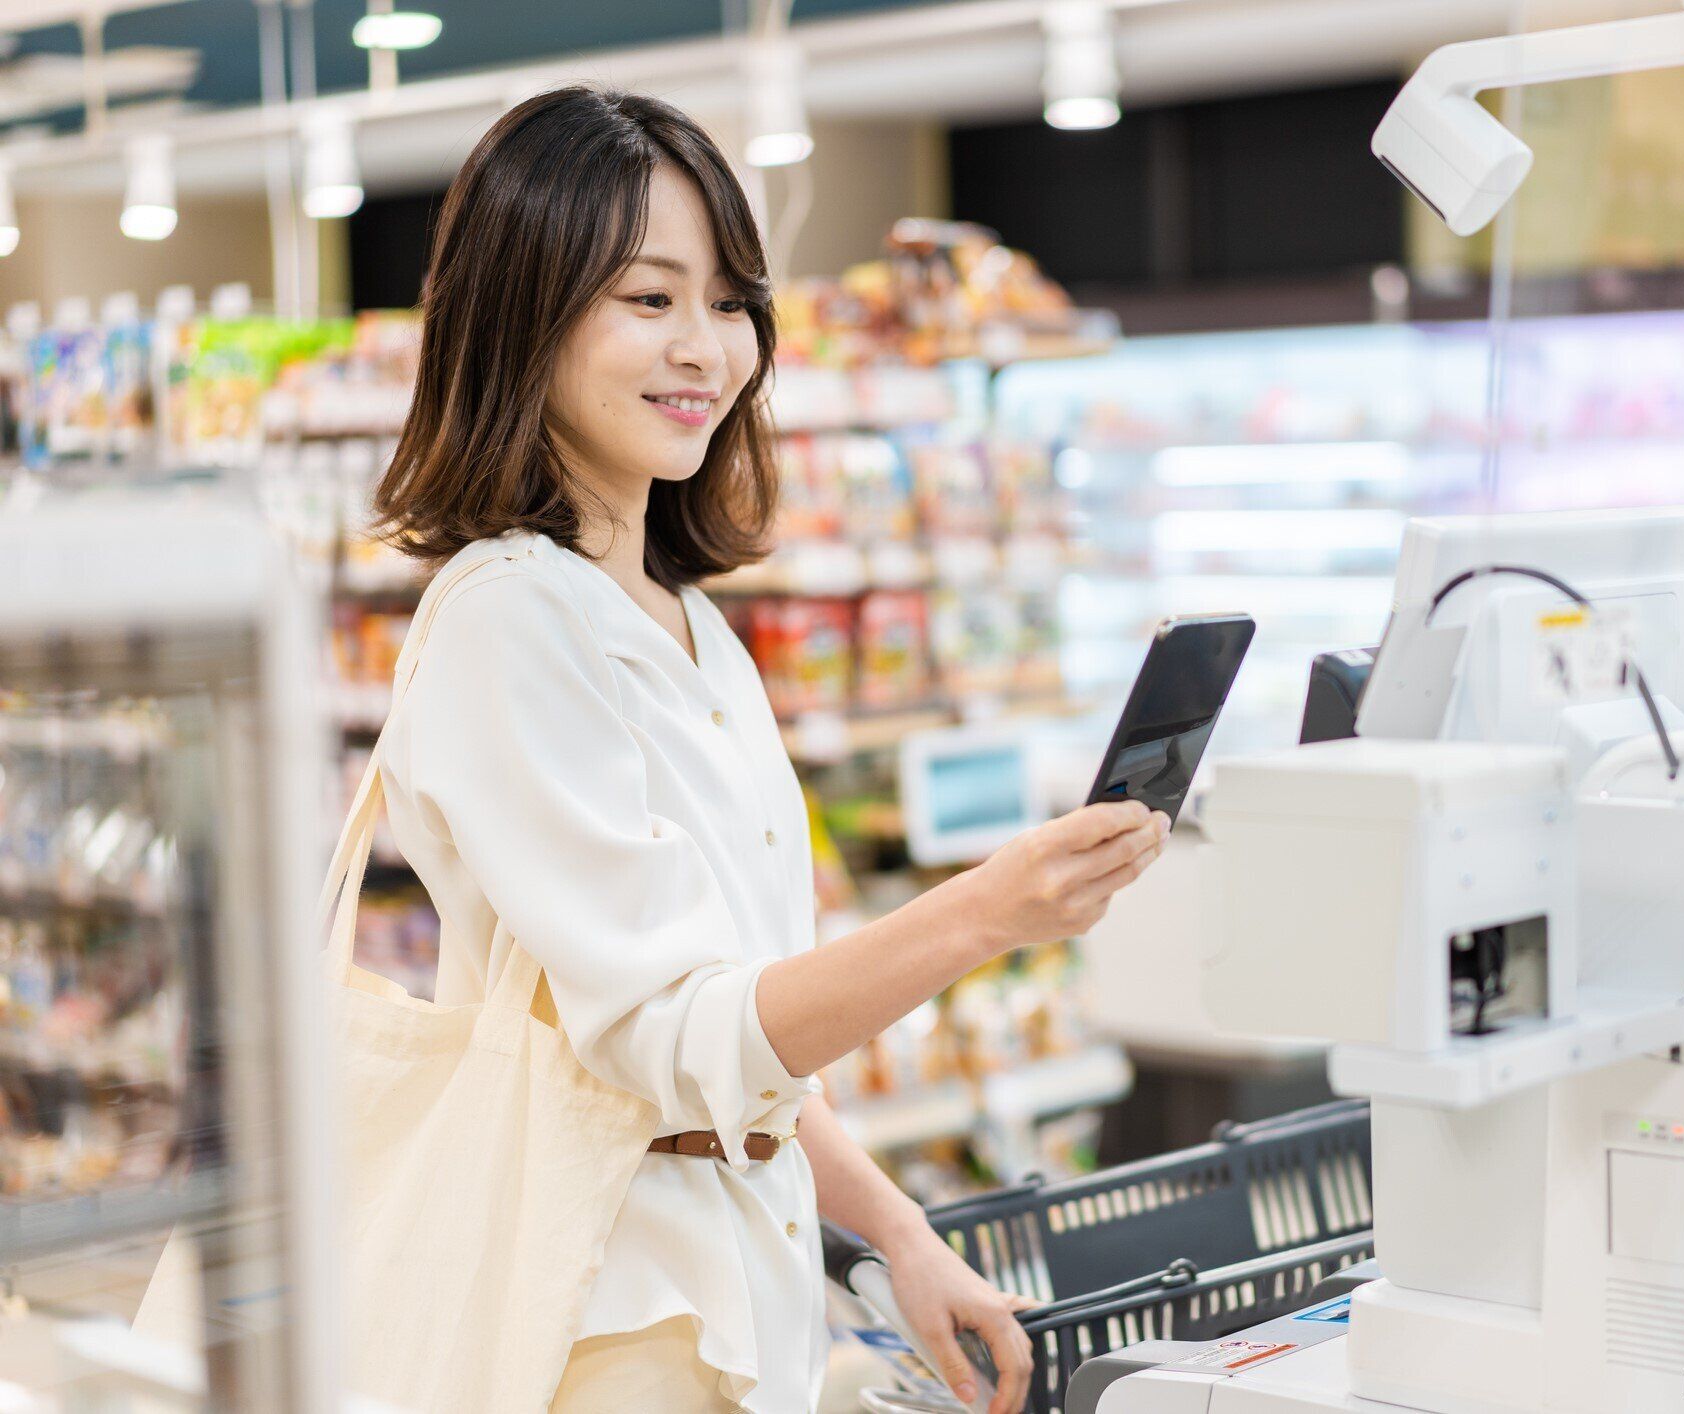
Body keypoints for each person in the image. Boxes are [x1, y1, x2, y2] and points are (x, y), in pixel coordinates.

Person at [368, 87, 1167, 1414]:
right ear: (523, 311)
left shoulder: (687, 624)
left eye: (731, 301)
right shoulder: (508, 617)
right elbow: (680, 1038)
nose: (706, 347)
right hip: (612, 1307)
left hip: (742, 1266)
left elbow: (747, 1050)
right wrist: (987, 912)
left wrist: (901, 1234)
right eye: (648, 299)